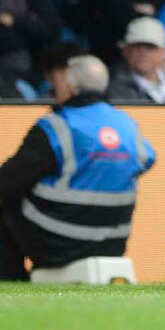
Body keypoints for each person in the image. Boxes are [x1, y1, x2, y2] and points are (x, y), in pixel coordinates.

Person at [0, 55, 155, 280]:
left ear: (70, 86)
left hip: (57, 244)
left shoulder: (56, 126)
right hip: (113, 242)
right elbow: (147, 158)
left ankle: (12, 279)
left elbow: (9, 180)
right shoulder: (127, 124)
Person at [107, 16, 165, 103]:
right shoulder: (112, 85)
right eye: (137, 47)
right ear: (126, 50)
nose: (143, 53)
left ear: (164, 52)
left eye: (150, 47)